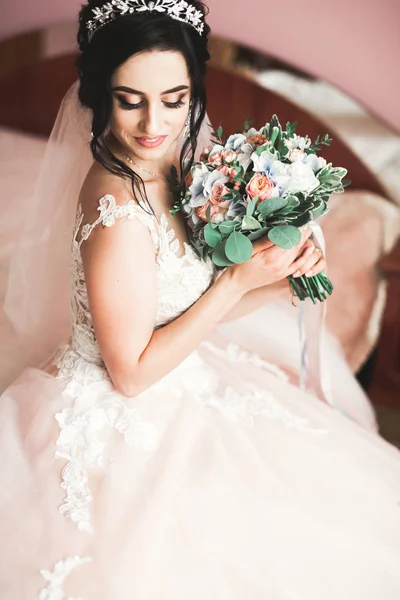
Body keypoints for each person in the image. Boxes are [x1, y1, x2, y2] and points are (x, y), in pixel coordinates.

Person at [0, 1, 399, 598]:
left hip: (185, 379)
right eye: (129, 98)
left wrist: (274, 278)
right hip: (120, 420)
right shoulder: (118, 210)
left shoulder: (169, 169)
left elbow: (183, 309)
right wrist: (237, 282)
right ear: (98, 93)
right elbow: (131, 376)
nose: (153, 123)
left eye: (175, 98)